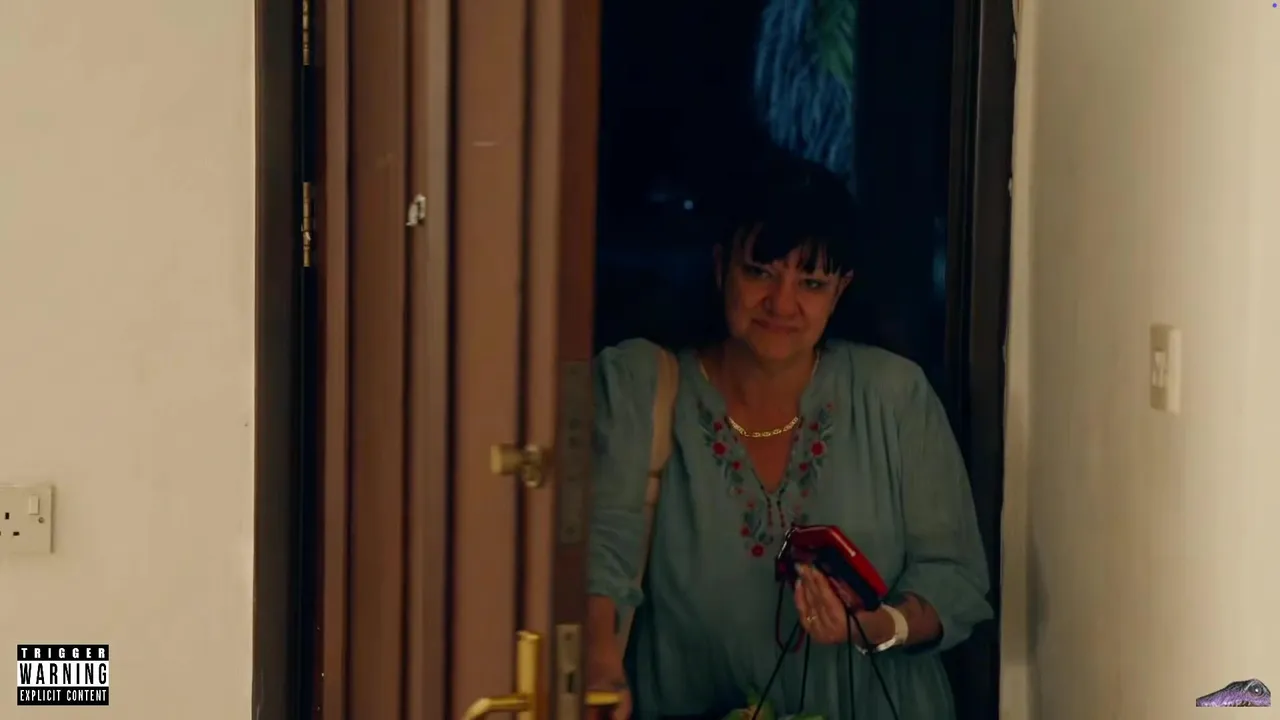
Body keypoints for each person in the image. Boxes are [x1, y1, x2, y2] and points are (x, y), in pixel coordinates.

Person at [585, 156, 992, 719]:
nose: (781, 303)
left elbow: (954, 578)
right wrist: (599, 663)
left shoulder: (893, 396)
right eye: (760, 273)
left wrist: (875, 626)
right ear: (721, 267)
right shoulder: (643, 390)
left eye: (811, 283)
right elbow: (600, 555)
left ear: (840, 290)